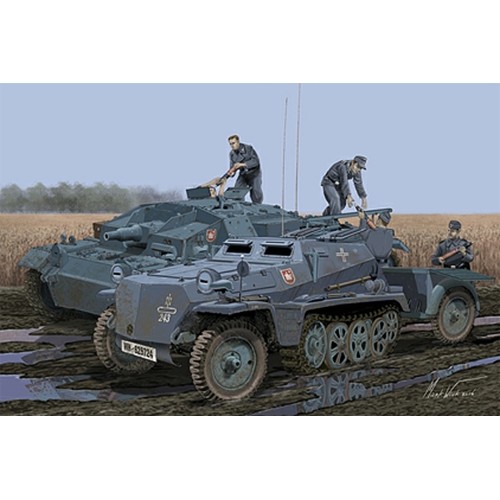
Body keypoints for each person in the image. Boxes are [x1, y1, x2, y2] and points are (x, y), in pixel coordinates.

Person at [227, 135, 263, 204]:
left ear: (238, 141)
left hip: (254, 173)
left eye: (233, 143)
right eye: (230, 144)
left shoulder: (248, 148)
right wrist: (231, 173)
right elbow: (232, 167)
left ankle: (258, 206)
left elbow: (255, 162)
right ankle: (238, 207)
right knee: (237, 191)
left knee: (256, 193)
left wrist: (242, 165)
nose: (232, 146)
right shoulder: (232, 154)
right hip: (243, 174)